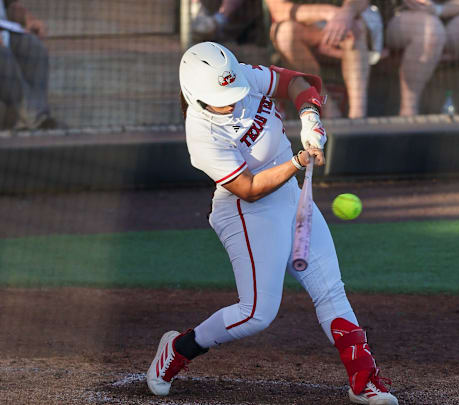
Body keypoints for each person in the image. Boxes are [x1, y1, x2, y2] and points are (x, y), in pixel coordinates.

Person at [146, 41, 398, 405]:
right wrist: (297, 160)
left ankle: (365, 379)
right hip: (247, 214)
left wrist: (310, 115)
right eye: (223, 96)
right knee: (256, 314)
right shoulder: (201, 134)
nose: (233, 100)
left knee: (330, 290)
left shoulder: (241, 77)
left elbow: (295, 81)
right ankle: (177, 349)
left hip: (292, 198)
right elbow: (248, 189)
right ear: (196, 95)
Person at [385, 0, 459, 116]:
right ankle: (408, 115)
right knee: (429, 30)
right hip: (403, 17)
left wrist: (438, 9)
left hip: (452, 17)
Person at [266, 0, 372, 119]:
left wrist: (346, 14)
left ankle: (357, 118)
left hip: (346, 32)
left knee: (356, 27)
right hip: (304, 35)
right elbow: (279, 10)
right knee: (284, 33)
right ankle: (328, 109)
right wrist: (329, 12)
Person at [0, 0, 59, 129]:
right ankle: (34, 120)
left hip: (5, 30)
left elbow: (8, 5)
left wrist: (26, 18)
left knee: (33, 47)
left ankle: (37, 116)